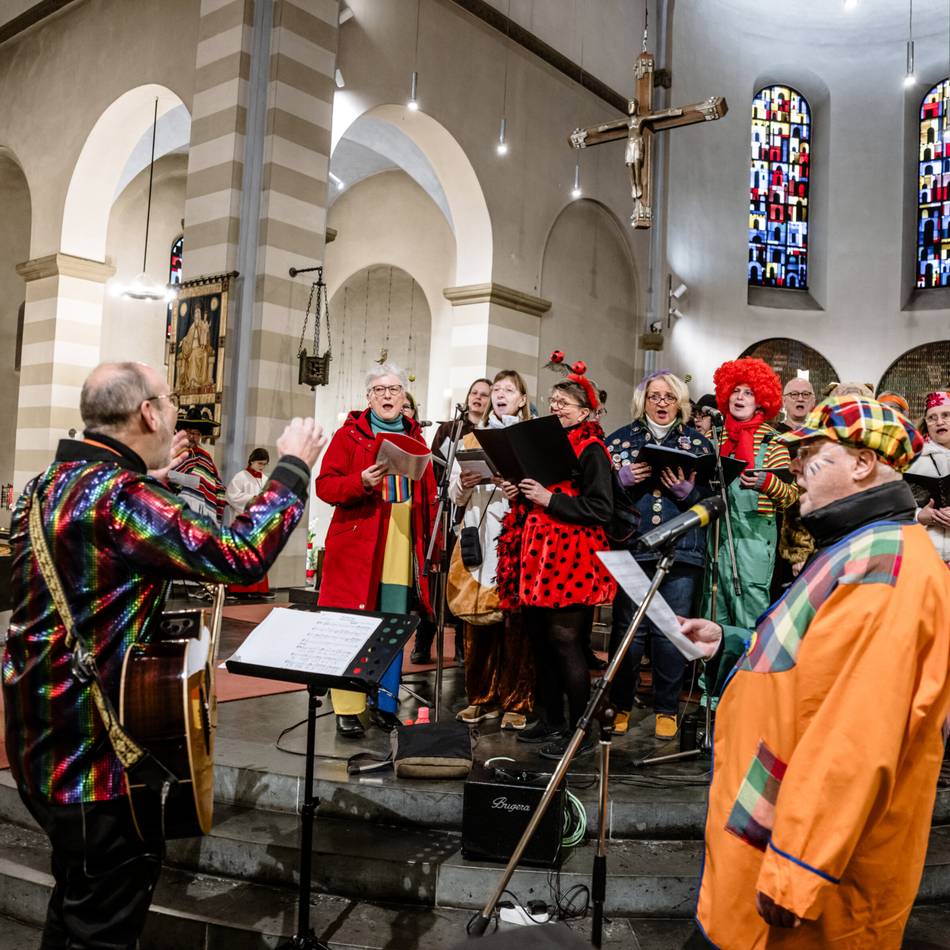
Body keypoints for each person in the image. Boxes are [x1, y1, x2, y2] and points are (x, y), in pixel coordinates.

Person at [1, 361, 325, 950]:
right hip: (98, 759)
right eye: (171, 401)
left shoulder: (46, 484)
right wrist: (294, 467)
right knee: (102, 928)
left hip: (39, 745)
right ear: (148, 413)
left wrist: (148, 480)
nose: (177, 414)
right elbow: (241, 554)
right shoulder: (121, 497)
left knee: (74, 904)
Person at [681, 397, 950, 948]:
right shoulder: (858, 546)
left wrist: (797, 868)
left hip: (808, 863)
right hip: (776, 824)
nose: (795, 468)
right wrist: (730, 642)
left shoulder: (888, 565)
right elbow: (815, 662)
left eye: (810, 456)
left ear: (862, 463)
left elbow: (857, 736)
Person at [496, 359, 617, 760]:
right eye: (553, 401)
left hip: (573, 556)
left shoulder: (593, 449)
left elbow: (601, 508)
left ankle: (580, 730)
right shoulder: (545, 444)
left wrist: (550, 499)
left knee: (566, 642)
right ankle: (550, 719)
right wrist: (519, 493)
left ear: (586, 412)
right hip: (537, 554)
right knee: (540, 641)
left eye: (564, 403)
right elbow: (535, 494)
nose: (556, 407)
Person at [315, 363, 438, 739]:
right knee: (352, 624)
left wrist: (431, 548)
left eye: (394, 389)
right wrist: (360, 481)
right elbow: (325, 486)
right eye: (379, 390)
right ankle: (348, 708)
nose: (387, 395)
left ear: (404, 397)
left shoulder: (417, 439)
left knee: (393, 626)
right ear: (368, 397)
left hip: (401, 545)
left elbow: (430, 497)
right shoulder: (348, 436)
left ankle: (385, 703)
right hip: (358, 545)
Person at [605, 370, 714, 739]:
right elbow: (597, 495)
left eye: (669, 397)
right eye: (654, 396)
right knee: (629, 632)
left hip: (682, 548)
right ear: (643, 401)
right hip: (633, 546)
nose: (662, 403)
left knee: (672, 630)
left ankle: (666, 708)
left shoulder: (699, 444)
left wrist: (690, 495)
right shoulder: (619, 440)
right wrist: (618, 482)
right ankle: (620, 704)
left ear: (680, 402)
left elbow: (716, 501)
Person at [701, 357, 798, 699]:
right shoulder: (713, 438)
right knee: (713, 614)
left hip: (755, 536)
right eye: (736, 391)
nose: (740, 397)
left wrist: (767, 483)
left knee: (749, 615)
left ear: (761, 401)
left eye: (749, 392)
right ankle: (712, 697)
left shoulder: (774, 442)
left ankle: (749, 695)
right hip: (716, 535)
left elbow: (790, 496)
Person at [449, 369, 534, 730]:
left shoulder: (528, 438)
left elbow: (542, 490)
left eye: (508, 390)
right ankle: (481, 698)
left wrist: (517, 492)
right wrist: (465, 485)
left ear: (522, 399)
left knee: (516, 627)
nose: (500, 395)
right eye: (496, 389)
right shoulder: (472, 438)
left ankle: (516, 701)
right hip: (480, 536)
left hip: (518, 540)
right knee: (478, 623)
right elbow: (454, 496)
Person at [773, 376, 818, 596]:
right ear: (783, 401)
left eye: (805, 394)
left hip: (812, 525)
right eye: (794, 394)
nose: (800, 398)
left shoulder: (821, 438)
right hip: (776, 525)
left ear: (813, 401)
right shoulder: (772, 436)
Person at [225, 448, 275, 599]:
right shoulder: (240, 477)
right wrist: (252, 498)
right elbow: (231, 496)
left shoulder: (265, 479)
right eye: (260, 463)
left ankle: (259, 589)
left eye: (264, 464)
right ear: (251, 461)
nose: (262, 467)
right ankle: (239, 590)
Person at [907, 391, 950, 566]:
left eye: (946, 415)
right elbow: (893, 508)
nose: (939, 422)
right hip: (926, 555)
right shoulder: (911, 460)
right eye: (932, 417)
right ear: (926, 423)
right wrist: (918, 516)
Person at [171, 406, 225, 523]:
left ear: (200, 436)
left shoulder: (205, 457)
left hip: (201, 512)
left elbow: (216, 485)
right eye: (189, 432)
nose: (192, 436)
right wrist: (192, 481)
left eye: (196, 433)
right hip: (176, 506)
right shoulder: (173, 453)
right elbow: (165, 476)